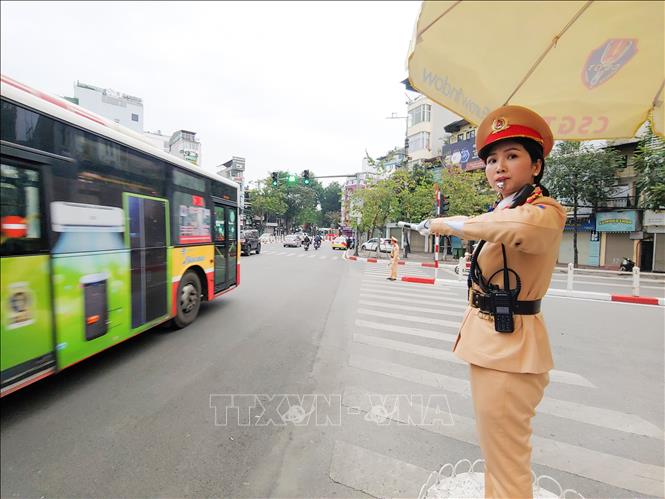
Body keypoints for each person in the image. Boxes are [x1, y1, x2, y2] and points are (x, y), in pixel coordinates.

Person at [415, 105, 565, 498]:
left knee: (507, 462)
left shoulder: (543, 212)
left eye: (512, 156)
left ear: (536, 166)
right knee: (497, 453)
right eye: (492, 159)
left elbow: (514, 229)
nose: (499, 167)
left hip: (511, 348)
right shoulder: (504, 209)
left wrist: (449, 223)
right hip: (495, 342)